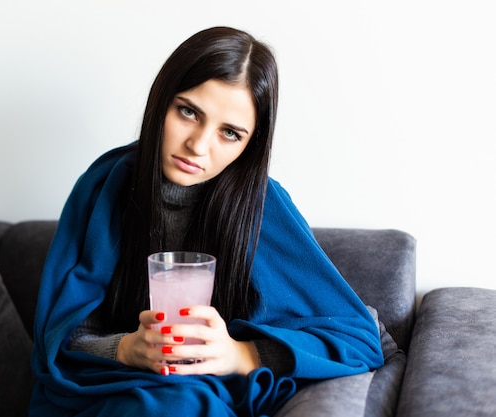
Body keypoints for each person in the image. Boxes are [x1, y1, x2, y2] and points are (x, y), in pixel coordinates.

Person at [29, 26, 384, 417]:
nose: (198, 146)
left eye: (229, 133)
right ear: (160, 102)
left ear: (250, 145)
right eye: (188, 112)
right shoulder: (104, 185)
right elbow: (62, 335)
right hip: (108, 387)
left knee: (181, 403)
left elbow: (359, 340)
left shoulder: (262, 205)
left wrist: (240, 353)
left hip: (203, 397)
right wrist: (125, 348)